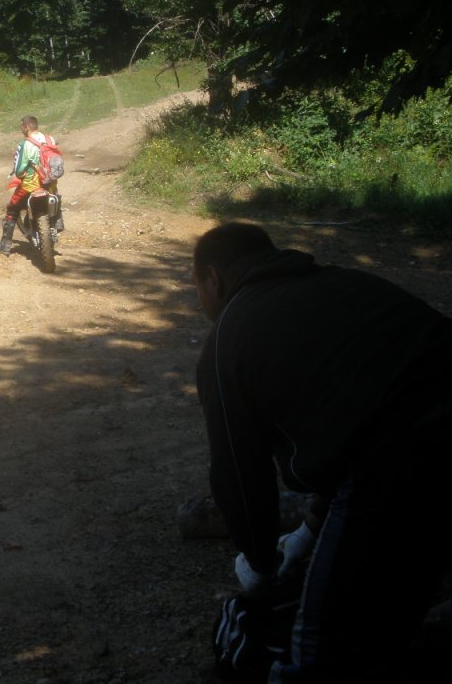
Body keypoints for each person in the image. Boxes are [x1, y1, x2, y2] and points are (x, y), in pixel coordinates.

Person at [192, 222, 452, 683]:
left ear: (213, 278)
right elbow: (355, 413)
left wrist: (261, 567)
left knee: (313, 656)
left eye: (196, 287)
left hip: (400, 461)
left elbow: (240, 475)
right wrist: (310, 529)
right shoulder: (351, 283)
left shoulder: (227, 337)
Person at [0, 115, 60, 255]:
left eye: (21, 127)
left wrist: (23, 173)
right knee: (56, 196)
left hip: (32, 185)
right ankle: (58, 222)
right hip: (50, 184)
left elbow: (19, 171)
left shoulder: (25, 144)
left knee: (12, 209)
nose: (21, 129)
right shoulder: (50, 139)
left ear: (26, 127)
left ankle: (5, 244)